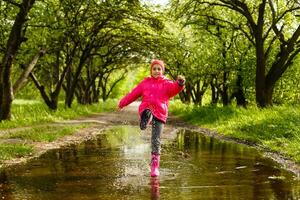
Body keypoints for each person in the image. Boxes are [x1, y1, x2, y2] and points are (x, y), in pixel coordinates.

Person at [117, 59, 185, 177]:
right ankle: (146, 118)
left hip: (160, 113)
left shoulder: (167, 83)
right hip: (146, 108)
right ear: (151, 70)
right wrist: (122, 103)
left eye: (159, 69)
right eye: (154, 69)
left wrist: (180, 83)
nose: (156, 71)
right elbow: (133, 94)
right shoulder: (145, 83)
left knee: (156, 140)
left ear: (162, 71)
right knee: (147, 111)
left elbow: (175, 89)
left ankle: (154, 167)